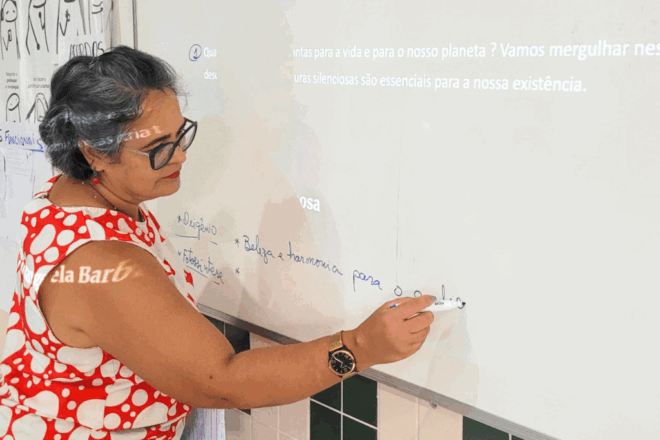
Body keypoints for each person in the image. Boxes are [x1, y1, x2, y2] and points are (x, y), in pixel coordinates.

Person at [0, 46, 435, 439]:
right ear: (93, 152)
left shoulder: (72, 197)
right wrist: (360, 346)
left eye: (181, 134)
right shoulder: (103, 263)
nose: (181, 155)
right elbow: (222, 382)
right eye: (157, 147)